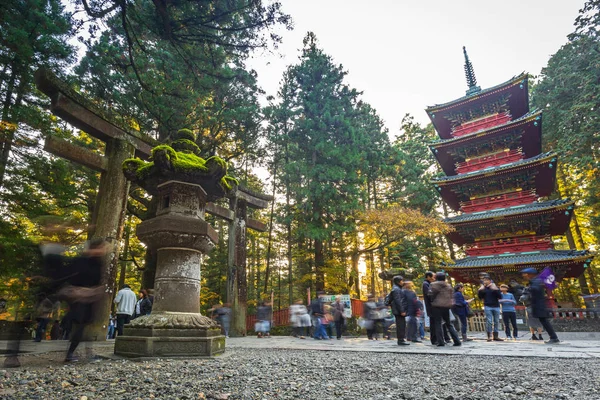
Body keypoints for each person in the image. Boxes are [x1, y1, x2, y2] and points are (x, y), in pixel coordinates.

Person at [63, 239, 107, 362]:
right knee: (80, 325)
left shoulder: (98, 263)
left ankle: (86, 352)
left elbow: (97, 281)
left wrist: (97, 290)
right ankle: (71, 353)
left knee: (86, 324)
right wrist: (78, 291)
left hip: (91, 299)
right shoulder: (81, 261)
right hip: (79, 298)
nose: (103, 251)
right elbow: (71, 277)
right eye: (100, 248)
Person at [520, 268, 559, 344]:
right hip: (538, 304)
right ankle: (553, 337)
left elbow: (536, 289)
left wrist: (528, 289)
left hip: (539, 305)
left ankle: (554, 337)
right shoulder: (535, 280)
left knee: (544, 321)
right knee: (544, 321)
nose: (524, 275)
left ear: (530, 274)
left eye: (525, 273)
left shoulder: (536, 281)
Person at [429, 272, 461, 347]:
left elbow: (430, 294)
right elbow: (451, 295)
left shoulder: (433, 285)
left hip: (437, 306)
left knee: (438, 323)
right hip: (446, 306)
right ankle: (457, 340)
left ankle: (440, 341)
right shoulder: (448, 285)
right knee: (449, 323)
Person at [478, 275, 503, 342]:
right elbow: (480, 297)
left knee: (496, 321)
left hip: (496, 306)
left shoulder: (495, 288)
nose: (485, 281)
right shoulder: (483, 289)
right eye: (484, 280)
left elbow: (500, 297)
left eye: (486, 280)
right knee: (489, 321)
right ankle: (489, 336)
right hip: (487, 306)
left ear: (489, 280)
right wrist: (480, 290)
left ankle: (496, 336)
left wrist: (496, 289)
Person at [390, 275, 409, 345]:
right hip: (398, 311)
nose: (403, 282)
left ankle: (401, 339)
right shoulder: (396, 289)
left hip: (398, 310)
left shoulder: (397, 288)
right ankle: (400, 340)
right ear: (398, 282)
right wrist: (402, 311)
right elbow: (398, 301)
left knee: (402, 324)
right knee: (400, 325)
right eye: (402, 281)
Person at [422, 271, 437, 345]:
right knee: (433, 323)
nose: (434, 278)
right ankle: (434, 339)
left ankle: (435, 338)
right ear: (428, 277)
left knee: (434, 323)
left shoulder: (429, 284)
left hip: (432, 306)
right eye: (433, 277)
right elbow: (429, 295)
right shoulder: (426, 284)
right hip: (431, 306)